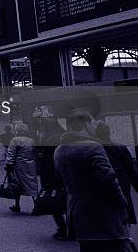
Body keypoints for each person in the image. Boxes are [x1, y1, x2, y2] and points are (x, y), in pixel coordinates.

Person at [54, 94, 134, 252]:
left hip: (79, 214)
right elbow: (109, 180)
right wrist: (122, 203)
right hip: (103, 213)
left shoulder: (58, 151)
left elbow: (60, 181)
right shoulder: (93, 147)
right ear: (86, 123)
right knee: (121, 247)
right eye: (92, 121)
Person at [94, 121, 138, 226]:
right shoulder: (120, 147)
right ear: (109, 132)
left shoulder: (94, 148)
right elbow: (131, 170)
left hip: (104, 183)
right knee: (124, 207)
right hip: (122, 181)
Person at [35, 118, 68, 240]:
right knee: (68, 200)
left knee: (54, 202)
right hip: (65, 174)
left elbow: (46, 160)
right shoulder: (62, 136)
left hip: (52, 174)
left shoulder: (48, 140)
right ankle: (72, 227)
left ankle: (62, 228)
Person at [6, 123, 38, 213]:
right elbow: (34, 152)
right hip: (31, 165)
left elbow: (11, 153)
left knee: (16, 184)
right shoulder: (31, 140)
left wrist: (8, 165)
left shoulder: (15, 140)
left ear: (18, 131)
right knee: (32, 185)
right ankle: (36, 206)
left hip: (19, 166)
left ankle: (17, 205)